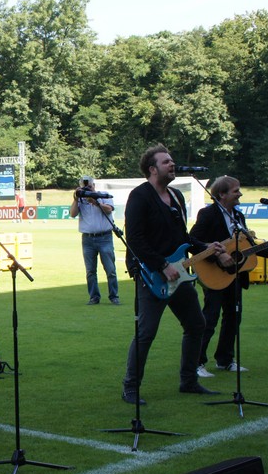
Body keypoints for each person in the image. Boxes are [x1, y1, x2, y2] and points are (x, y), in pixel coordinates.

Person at [121, 145, 227, 405]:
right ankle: (130, 387)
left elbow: (183, 238)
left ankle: (188, 381)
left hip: (178, 274)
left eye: (172, 160)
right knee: (146, 332)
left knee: (196, 324)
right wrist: (161, 265)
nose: (172, 164)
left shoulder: (177, 196)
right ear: (152, 169)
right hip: (152, 276)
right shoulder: (140, 196)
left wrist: (206, 247)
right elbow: (134, 239)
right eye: (166, 161)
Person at [190, 176, 268, 377]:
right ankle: (197, 363)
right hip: (213, 273)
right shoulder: (208, 214)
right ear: (222, 194)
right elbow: (193, 241)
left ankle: (225, 360)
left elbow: (247, 246)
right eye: (236, 191)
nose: (240, 194)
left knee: (233, 317)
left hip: (235, 276)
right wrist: (218, 254)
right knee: (210, 318)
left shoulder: (238, 216)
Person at [69, 175, 119, 305]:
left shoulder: (103, 195)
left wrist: (95, 201)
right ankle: (94, 297)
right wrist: (76, 198)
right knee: (90, 271)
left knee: (110, 269)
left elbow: (109, 210)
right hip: (88, 239)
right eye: (84, 187)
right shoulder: (81, 199)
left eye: (89, 186)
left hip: (105, 237)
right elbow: (72, 214)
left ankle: (114, 296)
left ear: (94, 185)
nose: (87, 188)